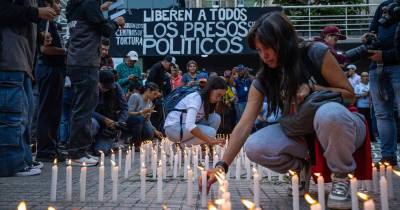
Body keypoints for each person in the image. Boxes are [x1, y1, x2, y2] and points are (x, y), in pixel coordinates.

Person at [201, 12, 369, 210]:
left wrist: (312, 88)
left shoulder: (315, 53)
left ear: (284, 41)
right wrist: (222, 166)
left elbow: (349, 94)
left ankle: (341, 177)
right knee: (256, 145)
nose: (264, 55)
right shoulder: (264, 78)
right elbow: (244, 125)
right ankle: (301, 169)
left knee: (329, 113)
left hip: (342, 127)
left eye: (268, 48)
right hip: (301, 133)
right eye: (259, 50)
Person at [0, 0, 57, 177]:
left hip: (22, 61)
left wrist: (40, 36)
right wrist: (36, 12)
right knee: (13, 117)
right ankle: (12, 164)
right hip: (9, 58)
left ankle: (24, 160)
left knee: (25, 116)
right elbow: (4, 9)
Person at [66, 0, 125, 166]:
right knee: (84, 107)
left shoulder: (75, 4)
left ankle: (77, 151)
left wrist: (101, 9)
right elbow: (105, 29)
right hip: (86, 61)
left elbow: (87, 19)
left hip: (76, 60)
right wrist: (117, 22)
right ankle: (77, 153)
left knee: (80, 107)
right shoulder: (89, 2)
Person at [366, 0, 400, 166]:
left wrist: (385, 56)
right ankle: (388, 156)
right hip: (376, 67)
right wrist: (367, 38)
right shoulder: (384, 5)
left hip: (396, 65)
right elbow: (373, 30)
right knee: (382, 114)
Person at [35, 0, 67, 162]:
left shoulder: (51, 24)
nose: (59, 6)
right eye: (56, 2)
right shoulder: (44, 21)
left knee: (55, 112)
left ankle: (52, 147)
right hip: (49, 69)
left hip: (56, 70)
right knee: (47, 111)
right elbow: (44, 49)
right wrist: (66, 52)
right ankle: (45, 150)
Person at [164, 76, 227, 146]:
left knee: (216, 118)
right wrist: (209, 140)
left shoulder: (207, 101)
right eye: (218, 94)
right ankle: (181, 146)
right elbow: (190, 126)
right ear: (210, 89)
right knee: (211, 132)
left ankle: (204, 144)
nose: (219, 99)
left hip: (183, 127)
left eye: (221, 96)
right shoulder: (196, 98)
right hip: (174, 129)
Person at [92, 70, 128, 155]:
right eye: (105, 87)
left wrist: (119, 123)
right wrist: (104, 119)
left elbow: (125, 108)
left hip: (108, 125)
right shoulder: (91, 88)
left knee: (101, 151)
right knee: (93, 124)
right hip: (94, 120)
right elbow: (87, 110)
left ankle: (107, 141)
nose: (107, 89)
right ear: (98, 82)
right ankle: (85, 146)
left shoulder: (116, 87)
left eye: (109, 87)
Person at [126, 82, 163, 147]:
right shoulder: (135, 96)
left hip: (141, 123)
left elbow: (147, 120)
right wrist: (141, 112)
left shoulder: (150, 103)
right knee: (139, 119)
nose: (155, 97)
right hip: (130, 121)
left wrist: (155, 130)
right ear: (148, 90)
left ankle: (132, 140)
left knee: (150, 134)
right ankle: (136, 144)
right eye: (154, 94)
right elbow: (128, 113)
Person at [147, 55, 176, 130]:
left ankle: (156, 131)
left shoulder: (163, 69)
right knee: (154, 113)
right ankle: (153, 131)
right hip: (151, 95)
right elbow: (149, 81)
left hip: (156, 95)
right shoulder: (157, 67)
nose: (170, 67)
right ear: (166, 62)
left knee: (158, 113)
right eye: (170, 65)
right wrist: (155, 92)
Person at [355, 72, 375, 141]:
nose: (366, 78)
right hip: (361, 107)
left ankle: (371, 138)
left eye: (367, 76)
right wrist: (362, 95)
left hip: (370, 107)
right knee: (362, 122)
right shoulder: (358, 86)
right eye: (364, 76)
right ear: (361, 78)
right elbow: (354, 96)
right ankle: (362, 138)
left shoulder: (371, 85)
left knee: (370, 122)